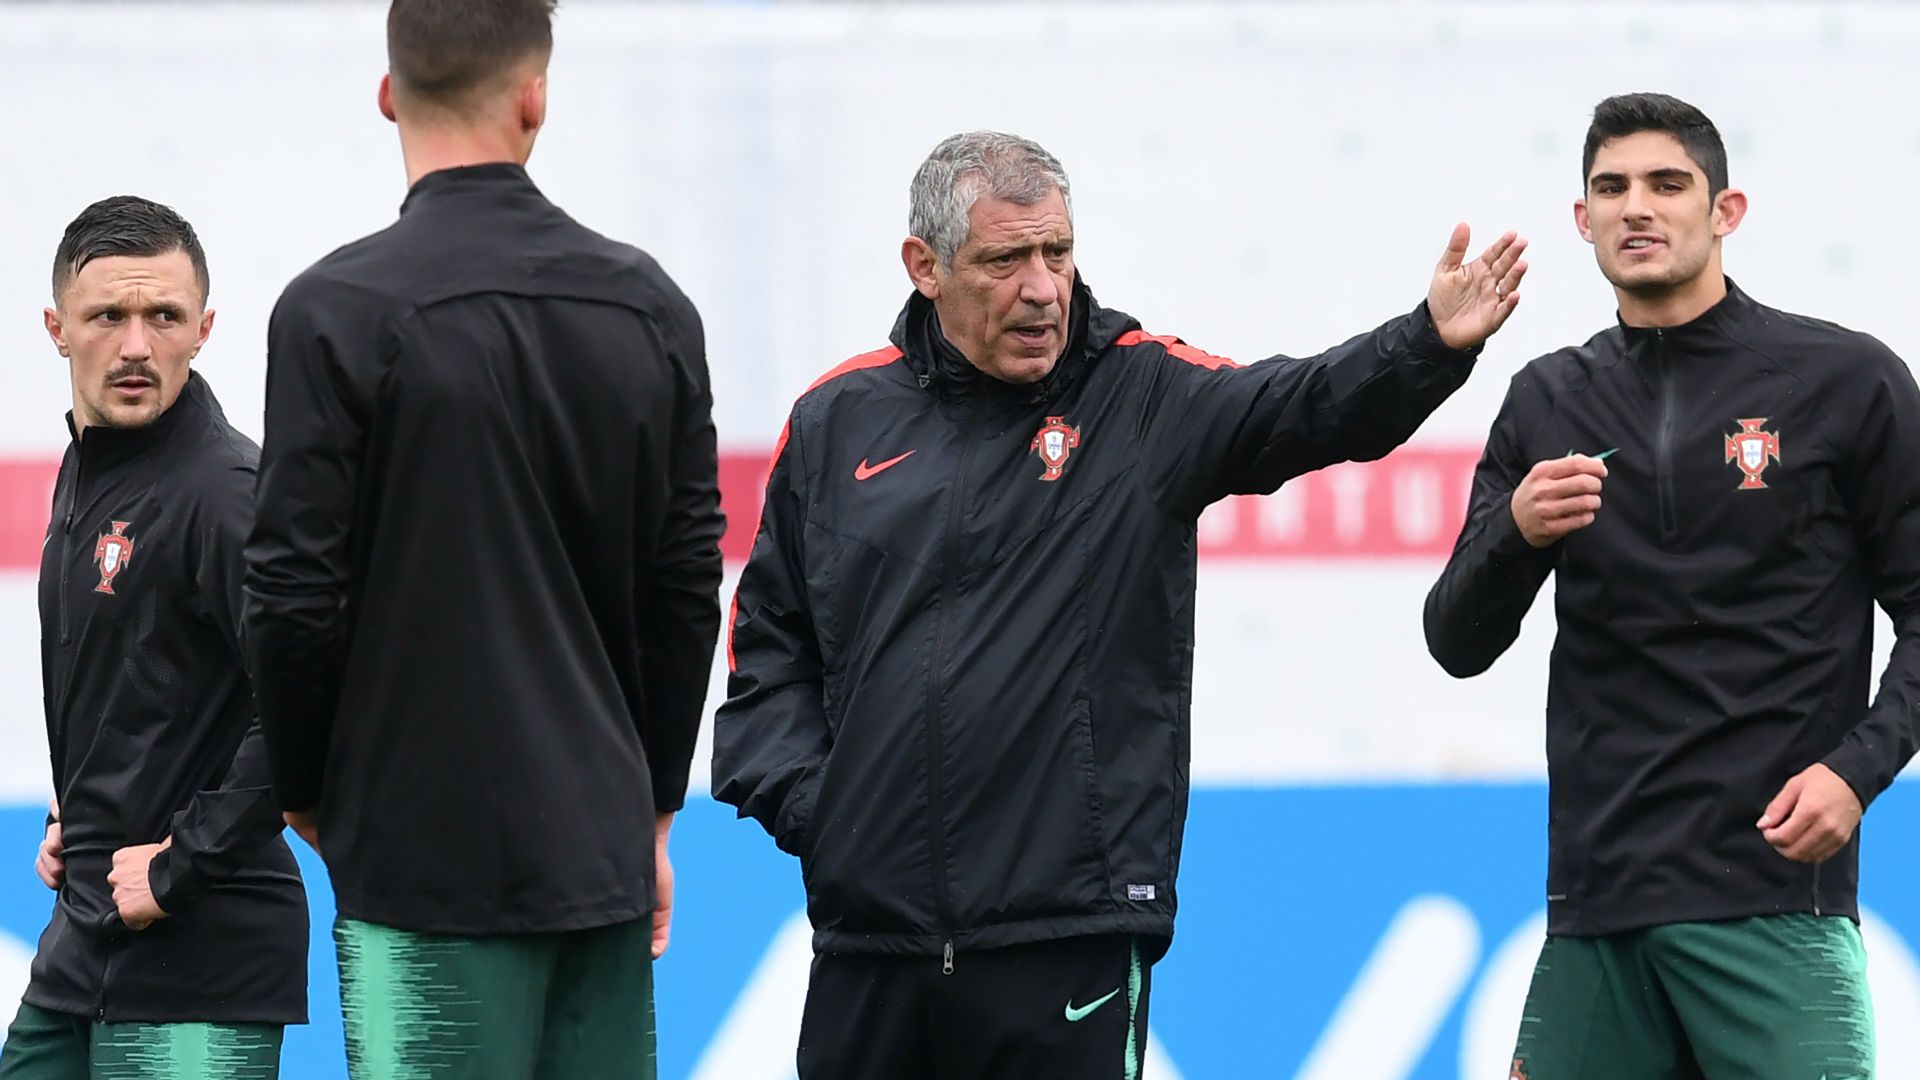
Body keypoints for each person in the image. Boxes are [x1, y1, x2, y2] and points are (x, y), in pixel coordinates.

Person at [711, 129, 1527, 1079]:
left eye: (1057, 252)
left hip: (1070, 936)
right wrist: (832, 815)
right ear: (924, 268)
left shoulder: (1142, 394)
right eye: (1005, 260)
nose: (1043, 288)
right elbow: (767, 660)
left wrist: (1425, 344)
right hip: (870, 949)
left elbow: (1303, 406)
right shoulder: (835, 419)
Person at [240, 1, 724, 1076]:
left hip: (416, 859)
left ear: (387, 95)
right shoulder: (653, 307)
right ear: (535, 96)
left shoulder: (333, 311)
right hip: (597, 848)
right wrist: (646, 810)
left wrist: (309, 787)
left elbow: (287, 592)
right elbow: (686, 589)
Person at [1425, 92, 1919, 1079]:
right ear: (1582, 220)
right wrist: (1514, 534)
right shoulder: (1547, 397)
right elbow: (1457, 639)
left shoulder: (1845, 381)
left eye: (1665, 184)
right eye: (1610, 188)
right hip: (1598, 906)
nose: (1635, 207)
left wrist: (1858, 770)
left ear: (1725, 211)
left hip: (1772, 893)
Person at [1, 196, 308, 1079]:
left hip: (200, 965)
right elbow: (156, 694)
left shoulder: (227, 492)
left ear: (203, 329)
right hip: (83, 946)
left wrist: (180, 864)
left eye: (163, 316)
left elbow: (313, 701)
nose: (136, 345)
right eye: (108, 316)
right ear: (58, 329)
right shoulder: (91, 470)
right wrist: (89, 815)